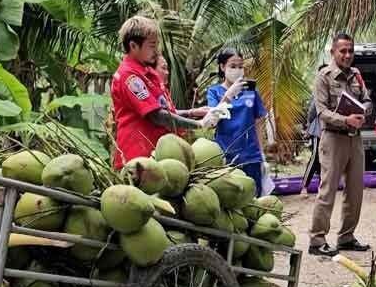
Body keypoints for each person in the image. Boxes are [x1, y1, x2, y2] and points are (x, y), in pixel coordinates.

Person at [111, 16, 215, 170]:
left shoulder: (147, 72)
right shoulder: (129, 77)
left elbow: (163, 110)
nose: (156, 51)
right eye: (152, 46)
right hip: (138, 159)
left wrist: (192, 112)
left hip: (155, 156)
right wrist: (199, 124)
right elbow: (157, 116)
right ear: (133, 46)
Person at [308, 33, 371, 257]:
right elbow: (321, 112)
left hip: (355, 138)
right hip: (333, 138)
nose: (347, 55)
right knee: (328, 190)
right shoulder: (323, 77)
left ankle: (346, 237)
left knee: (355, 191)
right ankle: (317, 241)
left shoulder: (357, 75)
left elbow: (367, 99)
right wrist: (345, 119)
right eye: (342, 51)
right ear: (333, 52)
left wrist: (364, 111)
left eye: (350, 51)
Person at [206, 48, 269, 196]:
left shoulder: (251, 92)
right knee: (231, 198)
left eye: (240, 67)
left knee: (254, 198)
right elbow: (212, 121)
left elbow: (258, 123)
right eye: (233, 66)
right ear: (222, 67)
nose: (237, 70)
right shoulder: (214, 92)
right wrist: (228, 95)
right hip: (226, 155)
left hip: (251, 156)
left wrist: (261, 154)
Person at [153, 56, 210, 122]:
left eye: (167, 69)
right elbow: (160, 116)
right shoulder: (149, 90)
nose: (167, 72)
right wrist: (197, 123)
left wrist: (193, 112)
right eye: (163, 68)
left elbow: (172, 112)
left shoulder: (163, 90)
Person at [301, 64, 329, 192]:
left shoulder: (332, 88)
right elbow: (312, 111)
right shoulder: (318, 89)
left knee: (326, 158)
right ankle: (304, 187)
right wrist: (308, 128)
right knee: (315, 157)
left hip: (329, 128)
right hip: (318, 129)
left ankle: (322, 186)